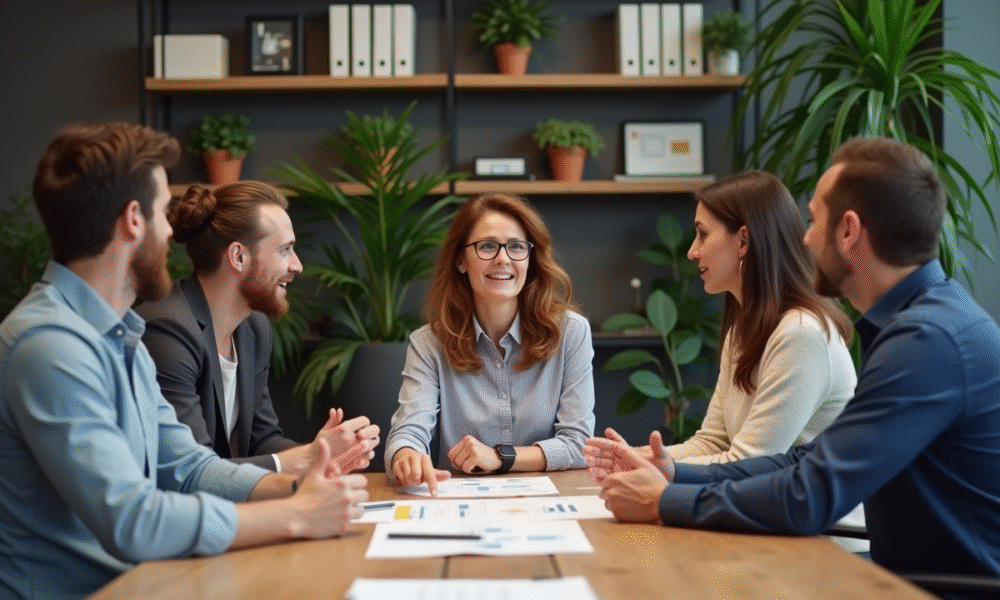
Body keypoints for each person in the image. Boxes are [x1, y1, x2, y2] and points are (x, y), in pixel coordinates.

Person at [587, 137, 1000, 583]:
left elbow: (810, 494)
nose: (804, 237)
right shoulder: (920, 324)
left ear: (848, 232)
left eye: (813, 219)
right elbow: (807, 461)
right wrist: (675, 472)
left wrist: (664, 500)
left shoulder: (928, 342)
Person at [0, 122, 368, 600]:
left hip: (145, 583)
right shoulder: (50, 346)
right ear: (133, 219)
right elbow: (132, 519)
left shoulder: (120, 334)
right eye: (161, 212)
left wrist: (296, 487)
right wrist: (295, 515)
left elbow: (188, 466)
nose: (173, 229)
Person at [596, 171, 867, 551]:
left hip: (824, 544)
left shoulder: (801, 334)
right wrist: (638, 459)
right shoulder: (746, 327)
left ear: (743, 240)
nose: (692, 251)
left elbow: (751, 461)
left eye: (703, 234)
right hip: (764, 527)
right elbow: (714, 440)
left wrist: (657, 475)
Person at [137, 181, 379, 475]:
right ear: (238, 257)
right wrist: (305, 459)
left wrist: (320, 456)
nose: (297, 266)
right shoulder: (168, 331)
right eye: (285, 250)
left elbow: (261, 440)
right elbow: (191, 471)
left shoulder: (253, 327)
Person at [384, 192, 596, 493]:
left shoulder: (571, 333)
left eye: (516, 247)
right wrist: (405, 455)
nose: (503, 258)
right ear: (460, 260)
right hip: (459, 506)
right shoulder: (428, 343)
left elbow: (578, 445)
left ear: (530, 260)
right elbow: (409, 432)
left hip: (549, 503)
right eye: (486, 246)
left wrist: (499, 457)